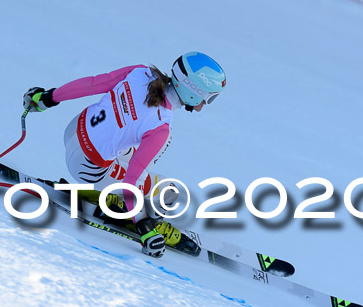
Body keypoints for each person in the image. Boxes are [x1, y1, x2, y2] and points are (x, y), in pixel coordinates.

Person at [22, 52, 226, 258]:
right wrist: (145, 229)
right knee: (169, 191)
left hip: (74, 130)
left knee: (130, 149)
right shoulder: (161, 128)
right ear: (193, 91)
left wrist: (47, 98)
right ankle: (129, 212)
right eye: (208, 97)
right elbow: (131, 181)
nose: (204, 105)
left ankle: (116, 199)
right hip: (86, 168)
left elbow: (92, 84)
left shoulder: (141, 73)